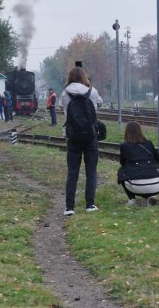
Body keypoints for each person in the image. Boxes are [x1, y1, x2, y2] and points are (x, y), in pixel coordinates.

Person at [58, 67, 103, 216]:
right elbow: (98, 105)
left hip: (73, 137)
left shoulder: (65, 94)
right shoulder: (92, 92)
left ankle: (69, 207)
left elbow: (63, 109)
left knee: (72, 172)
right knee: (91, 171)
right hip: (90, 136)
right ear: (84, 78)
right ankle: (90, 204)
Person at [117, 122, 159, 206]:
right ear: (140, 131)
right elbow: (158, 159)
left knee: (121, 171)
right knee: (145, 174)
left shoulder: (124, 146)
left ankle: (132, 199)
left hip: (136, 186)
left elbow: (122, 163)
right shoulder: (149, 143)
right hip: (157, 186)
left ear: (127, 132)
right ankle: (149, 197)